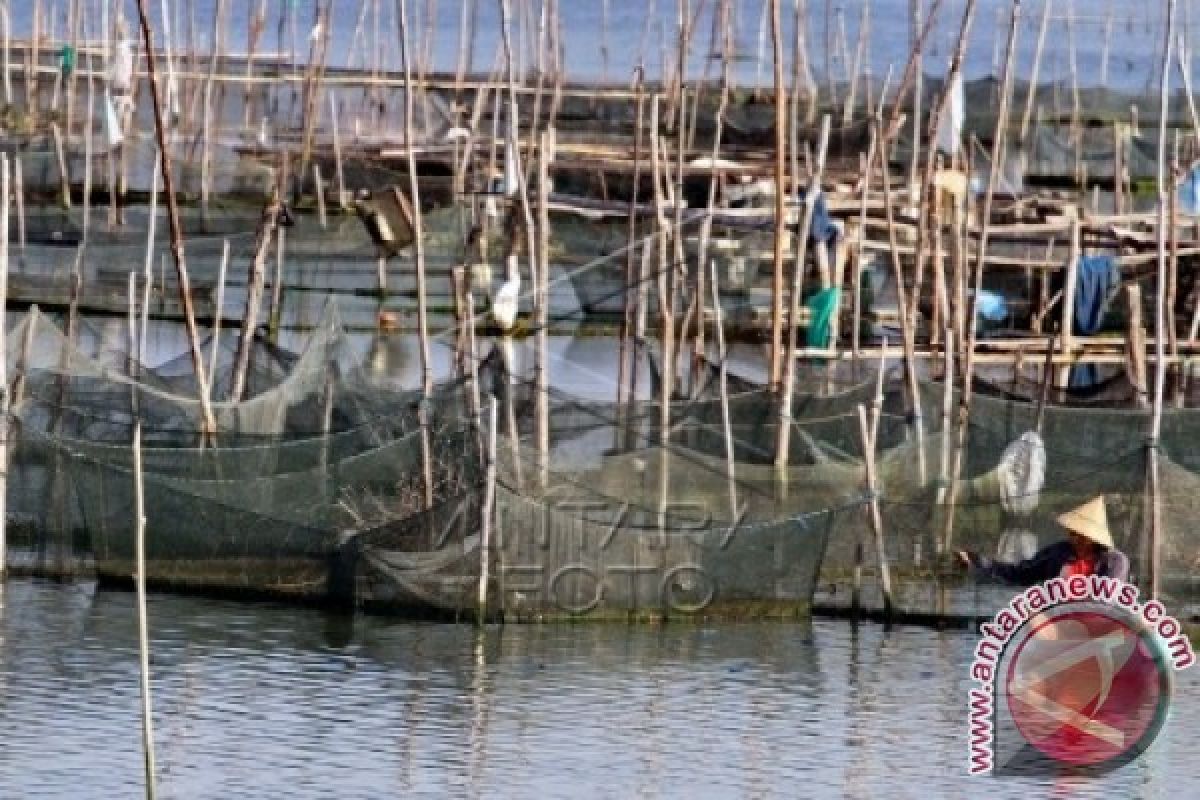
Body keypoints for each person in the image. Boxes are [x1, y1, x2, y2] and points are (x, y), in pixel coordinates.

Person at [957, 495, 1129, 585]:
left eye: (1079, 534)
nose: (1073, 537)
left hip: (1098, 627)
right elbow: (1019, 574)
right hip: (1059, 625)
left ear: (1092, 537)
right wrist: (978, 562)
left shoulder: (1115, 561)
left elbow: (1108, 602)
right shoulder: (1057, 554)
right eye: (1071, 532)